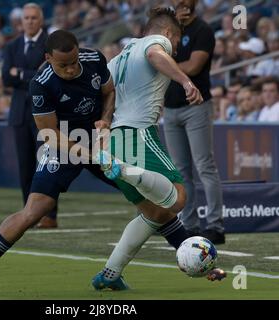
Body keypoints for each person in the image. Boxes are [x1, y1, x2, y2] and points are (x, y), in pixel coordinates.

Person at [0, 30, 118, 295]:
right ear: (48, 58)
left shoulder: (95, 58)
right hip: (64, 142)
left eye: (75, 62)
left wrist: (106, 120)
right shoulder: (41, 83)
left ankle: (181, 251)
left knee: (143, 191)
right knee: (35, 210)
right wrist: (90, 154)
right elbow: (51, 137)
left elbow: (109, 92)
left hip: (100, 139)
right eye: (64, 65)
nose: (73, 69)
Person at [91, 7, 225, 291]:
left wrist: (104, 120)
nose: (174, 49)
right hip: (138, 134)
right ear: (167, 33)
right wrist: (186, 81)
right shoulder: (157, 43)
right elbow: (156, 55)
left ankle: (110, 272)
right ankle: (125, 170)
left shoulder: (122, 54)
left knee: (154, 213)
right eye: (176, 43)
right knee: (177, 197)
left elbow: (109, 90)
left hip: (115, 139)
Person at [163, 0, 225, 244]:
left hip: (196, 107)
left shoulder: (203, 31)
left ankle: (215, 225)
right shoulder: (167, 32)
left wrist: (164, 66)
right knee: (180, 171)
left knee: (204, 165)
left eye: (187, 2)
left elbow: (194, 65)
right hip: (170, 108)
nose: (183, 5)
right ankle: (189, 224)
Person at [2, 3, 57, 228]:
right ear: (21, 21)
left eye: (34, 18)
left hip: (44, 112)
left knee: (46, 164)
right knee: (25, 166)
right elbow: (6, 77)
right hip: (19, 113)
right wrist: (31, 75)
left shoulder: (50, 43)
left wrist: (21, 74)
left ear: (41, 19)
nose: (30, 21)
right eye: (26, 18)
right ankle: (29, 214)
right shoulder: (12, 46)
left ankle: (49, 215)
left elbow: (50, 72)